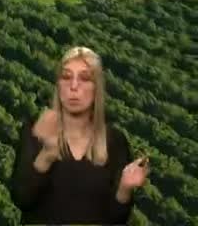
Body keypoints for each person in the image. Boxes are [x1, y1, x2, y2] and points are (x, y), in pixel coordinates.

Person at [10, 46, 149, 225]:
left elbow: (117, 219)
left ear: (97, 89)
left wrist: (125, 188)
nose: (74, 86)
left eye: (84, 78)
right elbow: (21, 199)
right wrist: (46, 155)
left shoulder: (115, 141)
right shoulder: (35, 130)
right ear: (58, 86)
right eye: (66, 77)